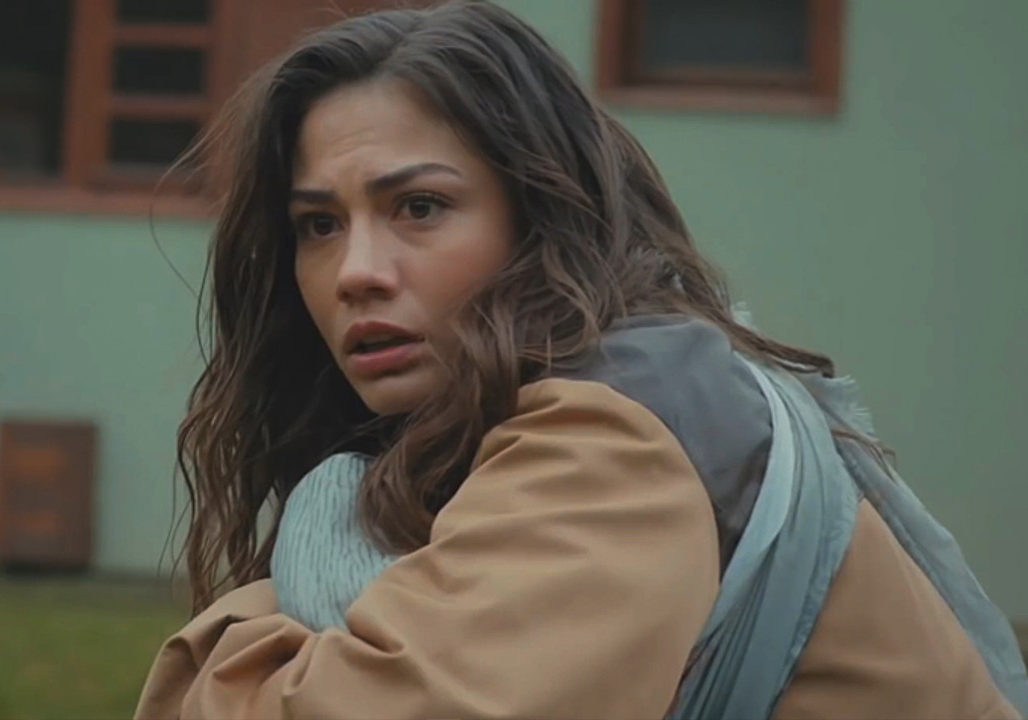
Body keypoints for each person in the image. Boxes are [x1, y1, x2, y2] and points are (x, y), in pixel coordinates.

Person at [135, 2, 1028, 718]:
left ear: (538, 215)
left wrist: (227, 645)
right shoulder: (579, 403)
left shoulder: (615, 428)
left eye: (420, 207)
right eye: (319, 225)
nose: (355, 272)